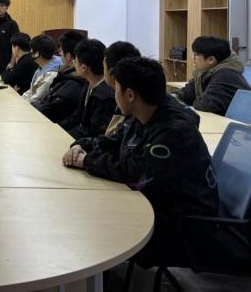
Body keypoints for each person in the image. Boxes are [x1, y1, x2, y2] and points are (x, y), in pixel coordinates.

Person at [63, 57, 218, 268]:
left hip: (181, 225)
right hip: (156, 205)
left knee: (90, 225)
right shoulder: (142, 114)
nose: (114, 95)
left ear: (130, 95)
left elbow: (136, 173)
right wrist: (82, 146)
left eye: (116, 89)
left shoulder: (175, 131)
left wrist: (86, 161)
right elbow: (111, 142)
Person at [175, 36, 251, 115]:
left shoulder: (226, 75)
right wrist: (174, 97)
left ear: (211, 60)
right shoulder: (204, 71)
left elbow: (206, 105)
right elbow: (188, 92)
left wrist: (191, 101)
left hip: (238, 121)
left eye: (196, 54)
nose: (193, 58)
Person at [58, 39, 116, 139]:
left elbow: (92, 132)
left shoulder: (105, 97)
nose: (73, 62)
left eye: (76, 60)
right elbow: (76, 117)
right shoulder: (87, 83)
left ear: (84, 68)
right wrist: (57, 129)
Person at [32, 30, 86, 123]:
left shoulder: (73, 82)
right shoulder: (64, 72)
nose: (59, 54)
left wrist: (31, 108)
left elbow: (50, 109)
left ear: (68, 56)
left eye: (61, 50)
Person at [101, 41, 141, 135]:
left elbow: (113, 138)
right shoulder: (127, 93)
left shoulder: (126, 100)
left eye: (103, 67)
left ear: (112, 73)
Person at [21, 34, 62, 104]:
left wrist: (20, 104)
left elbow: (37, 98)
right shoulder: (43, 65)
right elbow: (31, 91)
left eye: (31, 49)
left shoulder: (51, 74)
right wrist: (20, 100)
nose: (30, 51)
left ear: (37, 53)